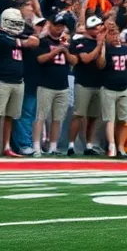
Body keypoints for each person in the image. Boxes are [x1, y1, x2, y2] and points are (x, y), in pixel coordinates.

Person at [0, 8, 40, 158]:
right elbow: (3, 42)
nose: (16, 26)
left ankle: (6, 146)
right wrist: (22, 42)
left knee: (10, 116)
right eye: (13, 23)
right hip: (1, 80)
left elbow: (35, 41)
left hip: (18, 81)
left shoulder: (17, 36)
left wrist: (22, 41)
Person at [33, 12, 76, 157]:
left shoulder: (65, 42)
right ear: (50, 25)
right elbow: (40, 59)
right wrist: (57, 50)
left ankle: (53, 146)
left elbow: (74, 61)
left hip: (62, 85)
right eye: (57, 26)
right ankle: (37, 146)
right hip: (45, 84)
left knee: (58, 118)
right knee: (41, 117)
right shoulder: (44, 41)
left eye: (61, 27)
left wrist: (65, 50)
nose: (59, 29)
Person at [68, 15, 107, 156]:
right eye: (96, 27)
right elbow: (85, 59)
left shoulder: (102, 43)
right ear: (89, 29)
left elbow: (101, 64)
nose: (98, 30)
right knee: (78, 115)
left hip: (97, 83)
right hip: (83, 82)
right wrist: (98, 46)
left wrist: (101, 47)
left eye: (99, 27)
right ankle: (70, 145)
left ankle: (89, 145)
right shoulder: (81, 42)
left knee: (93, 117)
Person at [99, 22, 127, 158]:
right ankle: (112, 146)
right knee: (110, 119)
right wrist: (101, 46)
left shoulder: (126, 49)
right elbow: (101, 65)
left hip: (124, 88)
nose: (114, 36)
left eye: (115, 33)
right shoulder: (106, 48)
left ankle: (121, 147)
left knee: (125, 120)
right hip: (108, 88)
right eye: (111, 33)